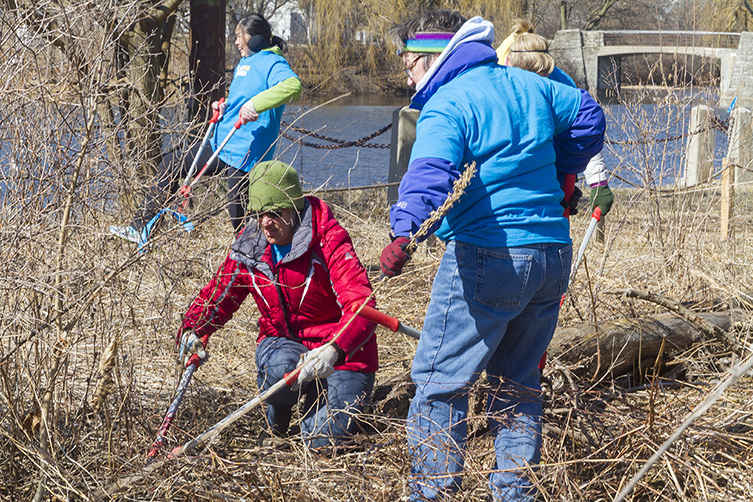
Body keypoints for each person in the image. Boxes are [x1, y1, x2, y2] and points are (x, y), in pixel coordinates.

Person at [378, 10, 604, 501]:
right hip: (551, 255)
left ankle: (431, 494)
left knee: (440, 383)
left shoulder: (448, 104)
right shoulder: (528, 85)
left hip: (489, 255)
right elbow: (588, 114)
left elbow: (430, 175)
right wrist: (563, 177)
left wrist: (403, 234)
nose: (407, 76)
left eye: (408, 64)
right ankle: (515, 494)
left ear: (431, 58)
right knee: (518, 384)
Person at [177, 160, 378, 449]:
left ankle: (325, 401)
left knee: (320, 441)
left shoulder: (329, 239)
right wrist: (191, 329)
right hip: (285, 343)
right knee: (280, 366)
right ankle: (278, 422)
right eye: (258, 214)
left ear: (294, 209)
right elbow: (219, 295)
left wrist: (334, 350)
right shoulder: (252, 245)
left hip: (342, 354)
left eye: (274, 213)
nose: (265, 223)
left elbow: (363, 307)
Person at [110, 13, 302, 246]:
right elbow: (242, 99)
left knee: (240, 221)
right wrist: (224, 107)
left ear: (255, 39)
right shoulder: (245, 63)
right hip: (222, 143)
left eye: (239, 36)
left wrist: (255, 105)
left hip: (246, 155)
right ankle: (141, 228)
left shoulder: (273, 62)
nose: (236, 42)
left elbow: (293, 86)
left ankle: (257, 266)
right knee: (170, 163)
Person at [499, 20, 614, 218]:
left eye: (545, 75)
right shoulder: (500, 80)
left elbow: (582, 124)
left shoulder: (560, 82)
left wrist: (597, 182)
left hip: (552, 176)